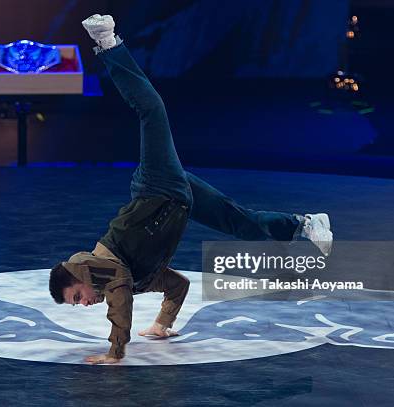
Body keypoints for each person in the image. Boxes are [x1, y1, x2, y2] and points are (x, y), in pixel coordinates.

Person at [48, 14, 333, 365]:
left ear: (77, 278)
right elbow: (176, 286)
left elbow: (118, 285)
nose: (83, 303)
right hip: (177, 201)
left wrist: (115, 352)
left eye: (77, 297)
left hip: (157, 187)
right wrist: (161, 325)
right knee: (238, 221)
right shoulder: (129, 278)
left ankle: (108, 43)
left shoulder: (93, 267)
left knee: (151, 111)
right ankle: (304, 223)